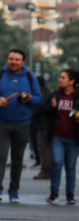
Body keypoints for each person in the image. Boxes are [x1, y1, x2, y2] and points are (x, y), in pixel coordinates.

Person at [0, 49, 42, 203]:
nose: (13, 62)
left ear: (23, 62)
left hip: (23, 124)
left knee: (17, 159)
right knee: (0, 157)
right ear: (7, 59)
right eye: (11, 58)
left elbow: (39, 98)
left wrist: (29, 98)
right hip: (1, 123)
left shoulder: (30, 77)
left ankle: (14, 191)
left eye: (17, 59)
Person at [42, 69, 79, 204]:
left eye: (63, 77)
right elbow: (43, 110)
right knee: (57, 162)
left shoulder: (77, 96)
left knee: (70, 165)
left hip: (74, 137)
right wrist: (52, 107)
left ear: (72, 81)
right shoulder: (56, 94)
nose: (60, 79)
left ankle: (70, 194)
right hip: (57, 135)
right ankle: (54, 193)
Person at [32, 76, 52, 180]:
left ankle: (46, 170)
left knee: (43, 148)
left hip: (43, 124)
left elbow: (38, 107)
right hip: (44, 123)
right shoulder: (46, 91)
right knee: (45, 148)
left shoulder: (42, 93)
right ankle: (47, 169)